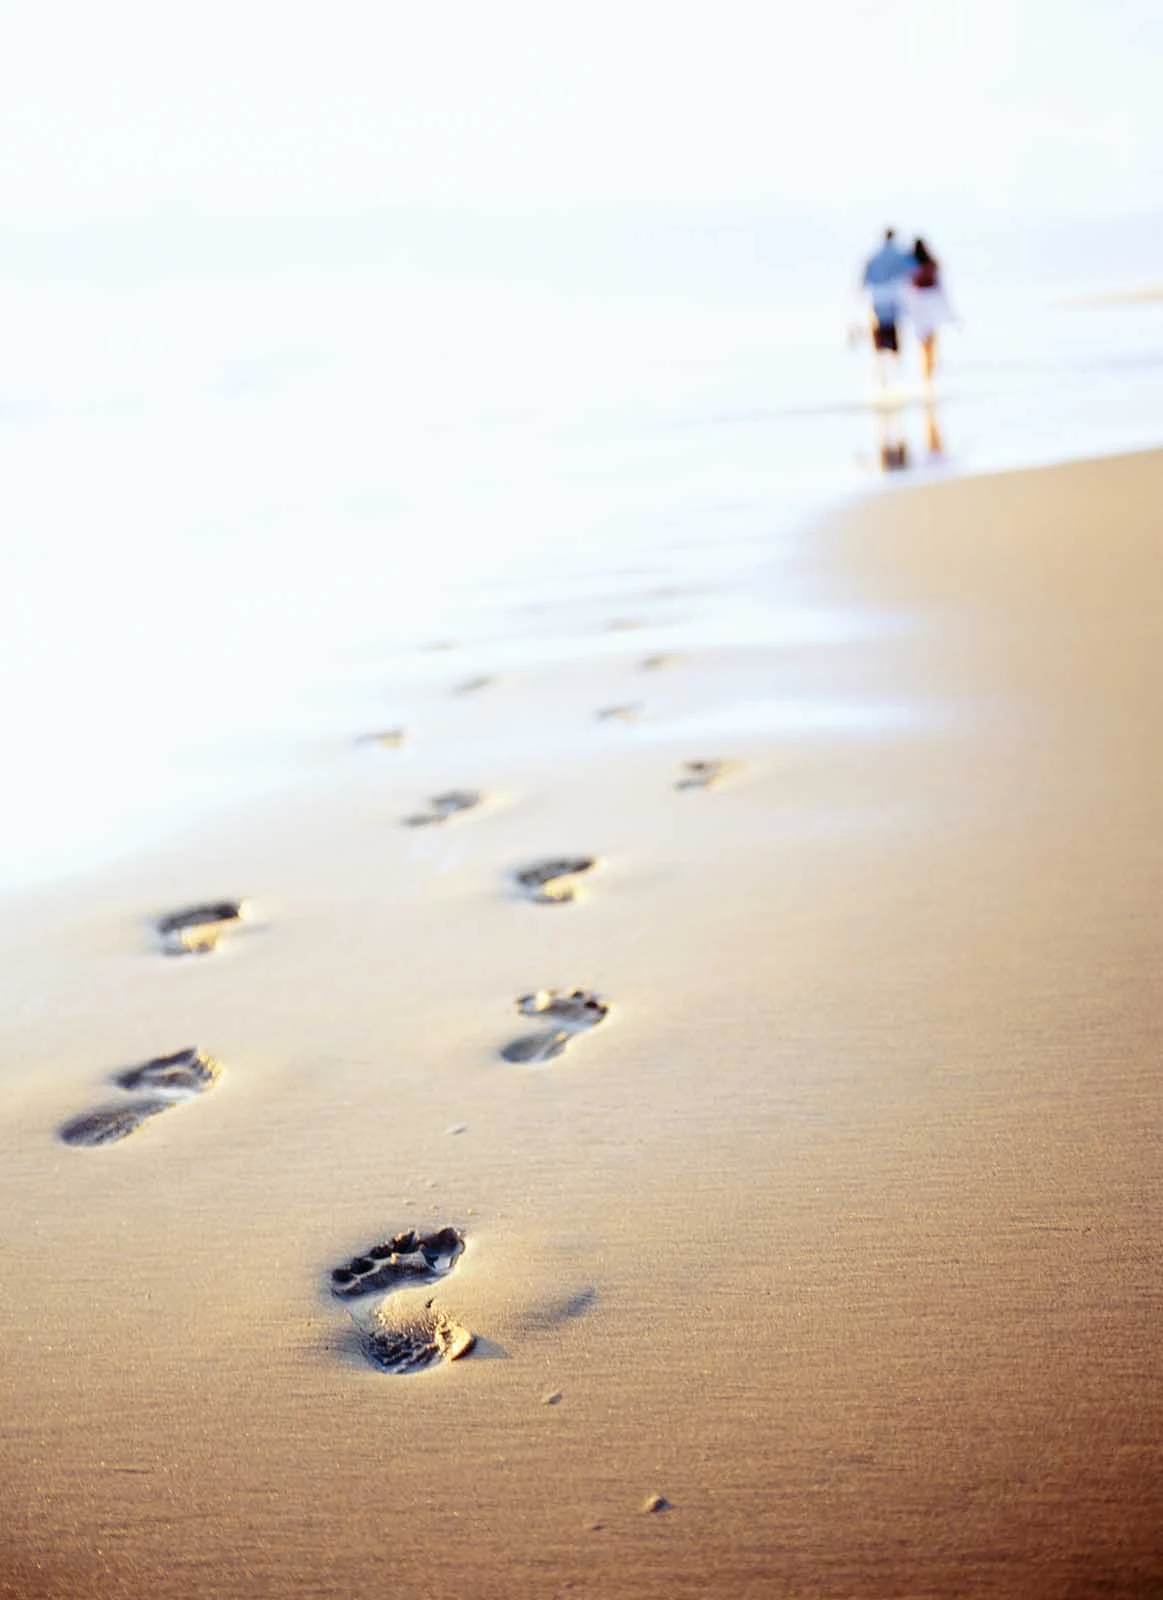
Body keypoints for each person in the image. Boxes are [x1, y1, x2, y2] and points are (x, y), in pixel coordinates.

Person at [860, 227, 916, 387]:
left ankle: (882, 375)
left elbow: (864, 279)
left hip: (877, 299)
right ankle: (895, 374)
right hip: (893, 298)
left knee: (879, 337)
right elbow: (912, 271)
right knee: (893, 336)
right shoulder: (900, 255)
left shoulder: (874, 256)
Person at [902, 238, 956, 387]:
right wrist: (950, 312)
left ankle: (926, 374)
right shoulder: (932, 264)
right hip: (931, 303)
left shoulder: (911, 265)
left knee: (923, 342)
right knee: (931, 341)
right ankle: (929, 375)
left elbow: (906, 286)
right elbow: (941, 288)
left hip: (918, 304)